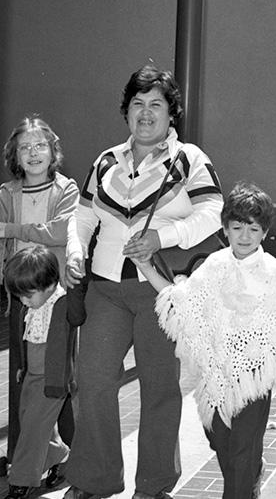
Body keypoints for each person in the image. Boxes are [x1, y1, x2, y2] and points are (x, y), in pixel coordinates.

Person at [62, 65, 224, 499]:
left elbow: (212, 212)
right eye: (137, 104)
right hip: (105, 290)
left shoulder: (189, 159)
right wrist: (76, 252)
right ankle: (95, 479)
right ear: (126, 111)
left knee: (159, 388)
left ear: (172, 113)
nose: (146, 113)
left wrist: (162, 235)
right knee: (93, 381)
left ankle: (153, 486)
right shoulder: (106, 160)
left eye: (156, 105)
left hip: (160, 291)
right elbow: (82, 215)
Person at [131, 182, 276, 499]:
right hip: (219, 371)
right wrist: (145, 267)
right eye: (237, 228)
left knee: (242, 447)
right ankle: (251, 471)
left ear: (264, 232)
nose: (245, 236)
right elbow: (183, 300)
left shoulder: (272, 270)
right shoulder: (215, 265)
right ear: (225, 229)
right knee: (219, 436)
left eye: (253, 229)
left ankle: (243, 482)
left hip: (255, 373)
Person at [0, 117, 79, 474]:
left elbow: (62, 230)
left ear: (53, 151)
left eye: (40, 145)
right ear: (15, 155)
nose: (33, 154)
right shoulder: (6, 194)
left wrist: (15, 229)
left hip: (56, 297)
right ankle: (23, 455)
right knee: (24, 377)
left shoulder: (67, 190)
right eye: (24, 147)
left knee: (59, 379)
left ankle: (73, 454)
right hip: (20, 298)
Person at [3, 247, 78, 499]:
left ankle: (20, 480)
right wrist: (23, 368)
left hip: (53, 380)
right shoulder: (33, 305)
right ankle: (60, 455)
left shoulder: (63, 303)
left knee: (34, 428)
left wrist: (75, 282)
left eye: (28, 295)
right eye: (19, 296)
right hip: (32, 376)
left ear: (49, 284)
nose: (23, 301)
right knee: (30, 423)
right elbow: (29, 341)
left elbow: (77, 320)